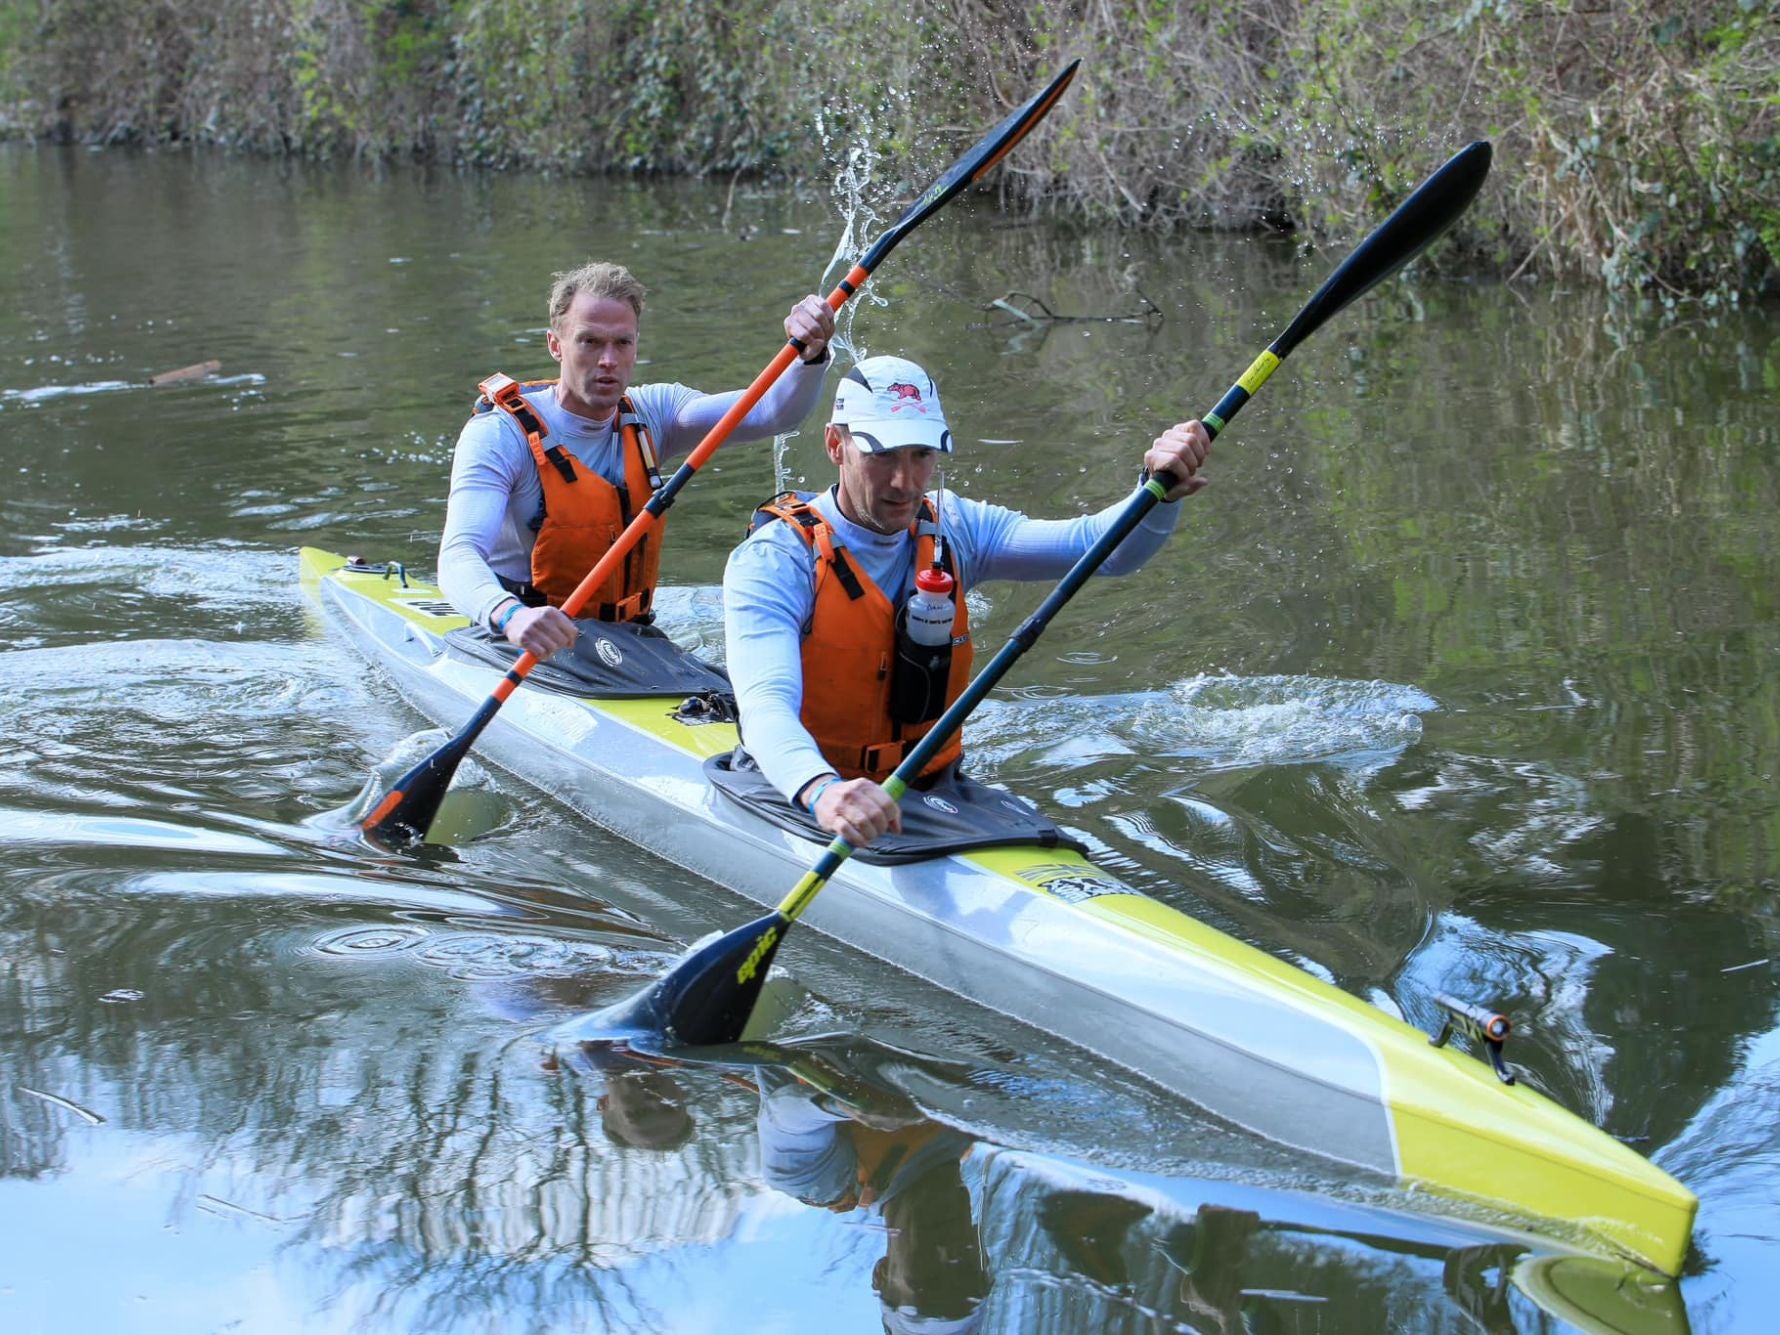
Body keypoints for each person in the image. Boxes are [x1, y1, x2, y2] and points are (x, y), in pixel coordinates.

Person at [723, 354, 1212, 848]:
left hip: (932, 787)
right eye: (883, 455)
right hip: (804, 789)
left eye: (920, 455)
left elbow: (1104, 551)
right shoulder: (776, 559)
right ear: (836, 445)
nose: (905, 482)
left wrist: (1157, 493)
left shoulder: (955, 528)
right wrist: (820, 790)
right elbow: (766, 705)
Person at [438, 260, 835, 659]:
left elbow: (773, 412)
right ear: (555, 345)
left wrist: (810, 355)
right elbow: (459, 553)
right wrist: (510, 616)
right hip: (521, 641)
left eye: (622, 343)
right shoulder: (499, 435)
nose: (608, 359)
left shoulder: (655, 413)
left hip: (629, 640)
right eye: (590, 342)